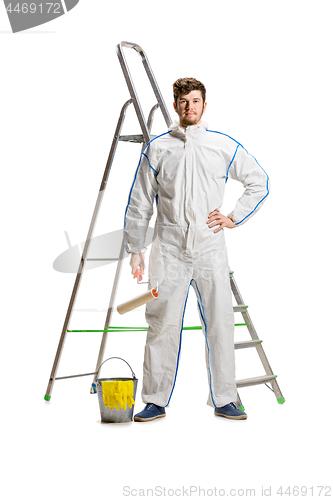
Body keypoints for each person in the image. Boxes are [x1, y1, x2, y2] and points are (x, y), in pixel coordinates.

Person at [123, 78, 269, 422]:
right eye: (183, 102)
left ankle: (225, 398)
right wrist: (136, 248)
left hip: (208, 247)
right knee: (161, 323)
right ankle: (155, 400)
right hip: (168, 249)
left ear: (205, 105)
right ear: (175, 106)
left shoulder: (221, 145)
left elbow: (258, 180)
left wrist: (234, 217)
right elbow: (140, 201)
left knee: (220, 322)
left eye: (195, 100)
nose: (190, 107)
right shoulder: (158, 148)